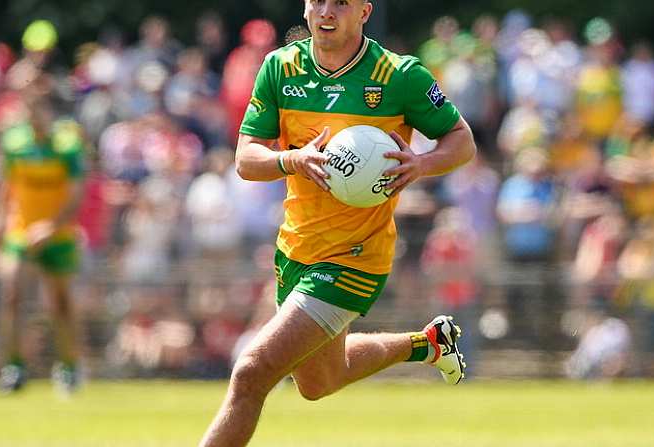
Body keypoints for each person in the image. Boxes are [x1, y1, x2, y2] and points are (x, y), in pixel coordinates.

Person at [198, 1, 476, 446]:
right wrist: (292, 159)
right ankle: (426, 345)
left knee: (252, 371)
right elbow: (246, 159)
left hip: (356, 257)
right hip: (295, 249)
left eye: (341, 3)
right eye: (317, 1)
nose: (326, 11)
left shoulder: (399, 76)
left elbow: (462, 140)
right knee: (317, 383)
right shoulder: (280, 68)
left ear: (364, 12)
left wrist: (422, 164)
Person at [0, 99, 86, 394]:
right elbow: (4, 186)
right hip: (21, 232)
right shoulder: (15, 143)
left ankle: (69, 367)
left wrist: (51, 226)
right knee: (11, 293)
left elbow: (76, 195)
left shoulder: (67, 146)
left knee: (60, 304)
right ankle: (13, 368)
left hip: (59, 235)